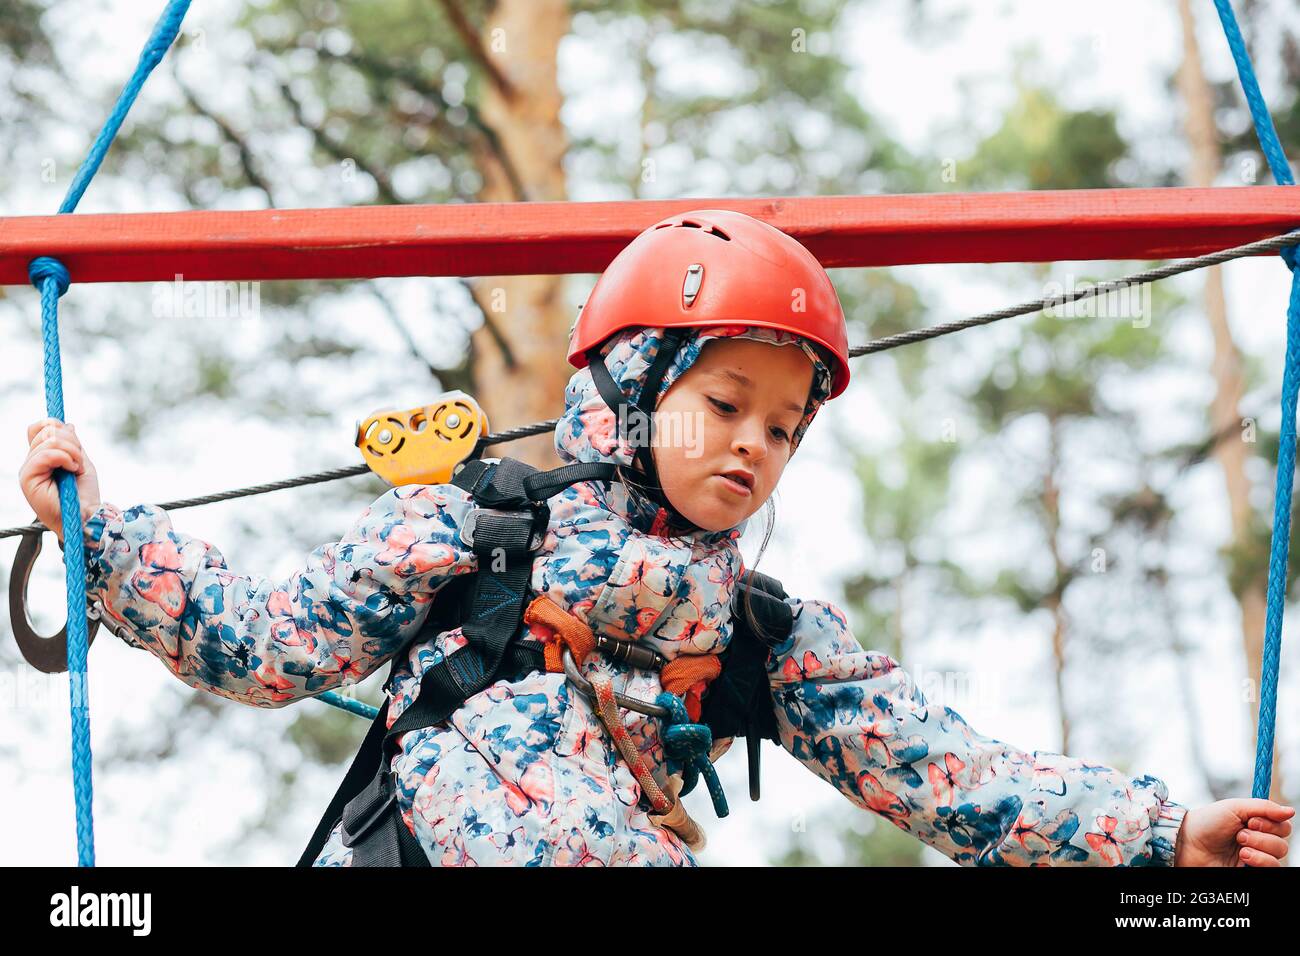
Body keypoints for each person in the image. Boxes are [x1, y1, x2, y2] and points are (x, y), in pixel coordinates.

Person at [19, 209, 1293, 867]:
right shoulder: (474, 527)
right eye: (726, 403)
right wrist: (105, 532)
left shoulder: (757, 630)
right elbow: (263, 640)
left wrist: (1159, 833)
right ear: (633, 385)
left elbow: (945, 769)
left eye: (787, 428)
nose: (756, 445)